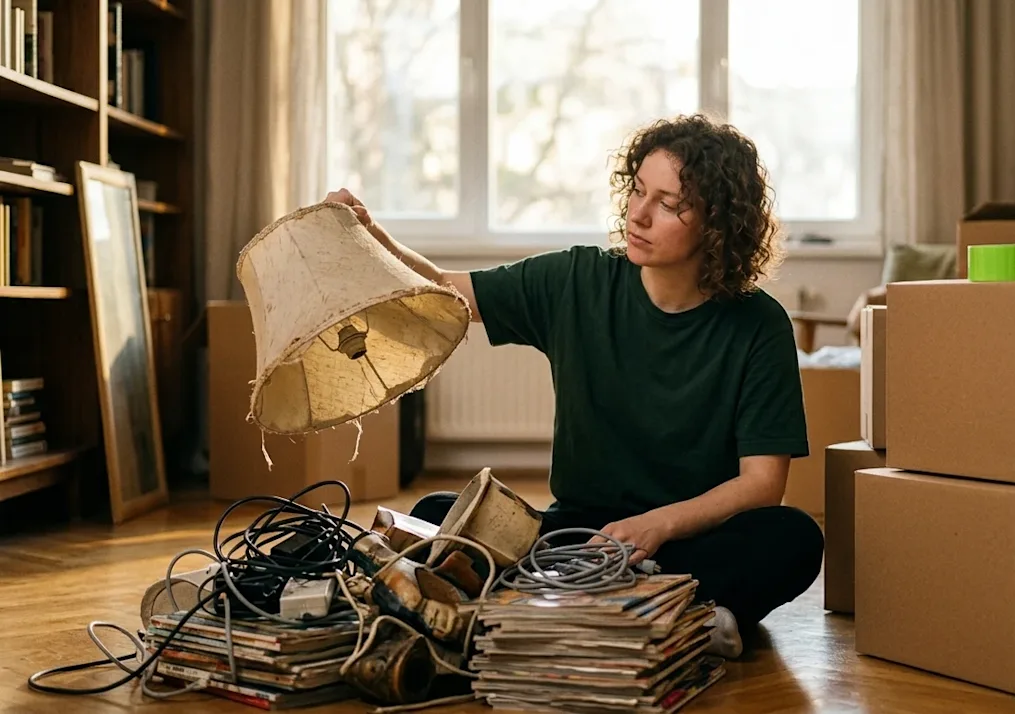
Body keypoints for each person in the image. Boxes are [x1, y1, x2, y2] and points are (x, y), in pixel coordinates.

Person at [326, 113, 824, 659]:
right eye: (638, 191)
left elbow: (761, 485)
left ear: (718, 223)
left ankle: (640, 609)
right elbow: (445, 293)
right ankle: (671, 613)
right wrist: (368, 234)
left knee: (794, 539)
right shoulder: (577, 280)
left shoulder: (759, 324)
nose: (639, 213)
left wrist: (657, 525)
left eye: (669, 203)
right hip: (577, 537)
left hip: (688, 541)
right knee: (433, 514)